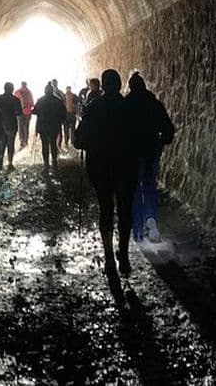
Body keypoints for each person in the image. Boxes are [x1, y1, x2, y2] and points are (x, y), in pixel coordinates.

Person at [74, 69, 138, 276]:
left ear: (103, 85)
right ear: (119, 85)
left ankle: (109, 257)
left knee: (106, 208)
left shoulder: (93, 107)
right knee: (125, 208)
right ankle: (125, 254)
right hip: (125, 166)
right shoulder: (129, 107)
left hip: (99, 166)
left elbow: (79, 140)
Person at [124, 71, 174, 242]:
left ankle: (137, 231)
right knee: (150, 185)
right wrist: (161, 141)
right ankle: (151, 221)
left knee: (135, 189)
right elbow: (168, 129)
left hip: (132, 155)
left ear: (130, 87)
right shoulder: (154, 104)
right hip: (151, 152)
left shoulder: (126, 105)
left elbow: (119, 131)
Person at [32, 83, 65, 171]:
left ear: (45, 90)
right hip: (54, 125)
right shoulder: (57, 100)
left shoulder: (40, 100)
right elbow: (63, 113)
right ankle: (54, 160)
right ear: (52, 91)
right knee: (53, 143)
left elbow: (34, 111)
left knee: (45, 144)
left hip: (42, 125)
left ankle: (46, 162)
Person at [0, 82, 22, 171]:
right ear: (12, 89)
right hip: (12, 125)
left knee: (1, 145)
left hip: (0, 125)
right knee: (11, 144)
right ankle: (10, 163)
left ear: (4, 88)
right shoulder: (15, 100)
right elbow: (19, 113)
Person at [13, 81, 34, 148]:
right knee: (26, 127)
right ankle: (26, 140)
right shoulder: (29, 92)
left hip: (19, 112)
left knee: (20, 127)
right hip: (28, 112)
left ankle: (22, 141)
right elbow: (32, 103)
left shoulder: (17, 92)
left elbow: (14, 102)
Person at [51, 79, 66, 149]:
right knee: (54, 133)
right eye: (53, 84)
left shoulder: (60, 92)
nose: (54, 85)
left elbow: (64, 104)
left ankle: (58, 146)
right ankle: (54, 147)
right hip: (53, 117)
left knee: (59, 132)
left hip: (57, 117)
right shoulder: (50, 93)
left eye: (55, 84)